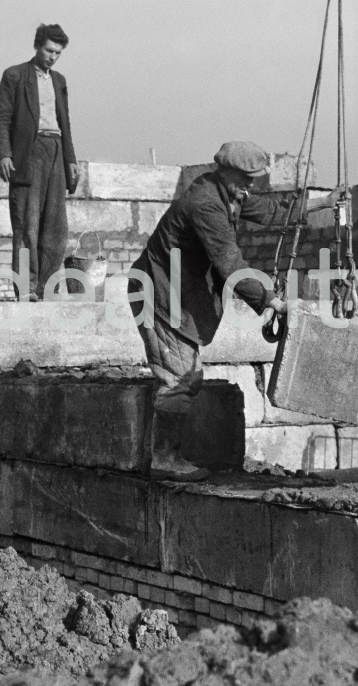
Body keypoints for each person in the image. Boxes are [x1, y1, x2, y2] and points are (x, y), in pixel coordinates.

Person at [130, 141, 341, 480]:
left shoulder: (230, 192)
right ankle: (164, 460)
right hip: (158, 293)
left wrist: (323, 203)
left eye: (254, 178)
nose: (251, 185)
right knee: (180, 378)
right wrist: (270, 300)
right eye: (247, 178)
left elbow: (272, 211)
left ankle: (164, 455)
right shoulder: (205, 204)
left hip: (176, 293)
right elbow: (229, 262)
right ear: (225, 170)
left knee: (184, 375)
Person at [0, 23, 79, 301]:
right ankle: (27, 289)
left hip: (56, 150)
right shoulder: (15, 76)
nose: (52, 56)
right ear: (37, 46)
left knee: (55, 229)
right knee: (27, 226)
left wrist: (71, 160)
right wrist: (4, 154)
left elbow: (65, 124)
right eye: (49, 50)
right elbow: (0, 120)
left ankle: (47, 288)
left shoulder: (59, 81)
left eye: (58, 53)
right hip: (28, 154)